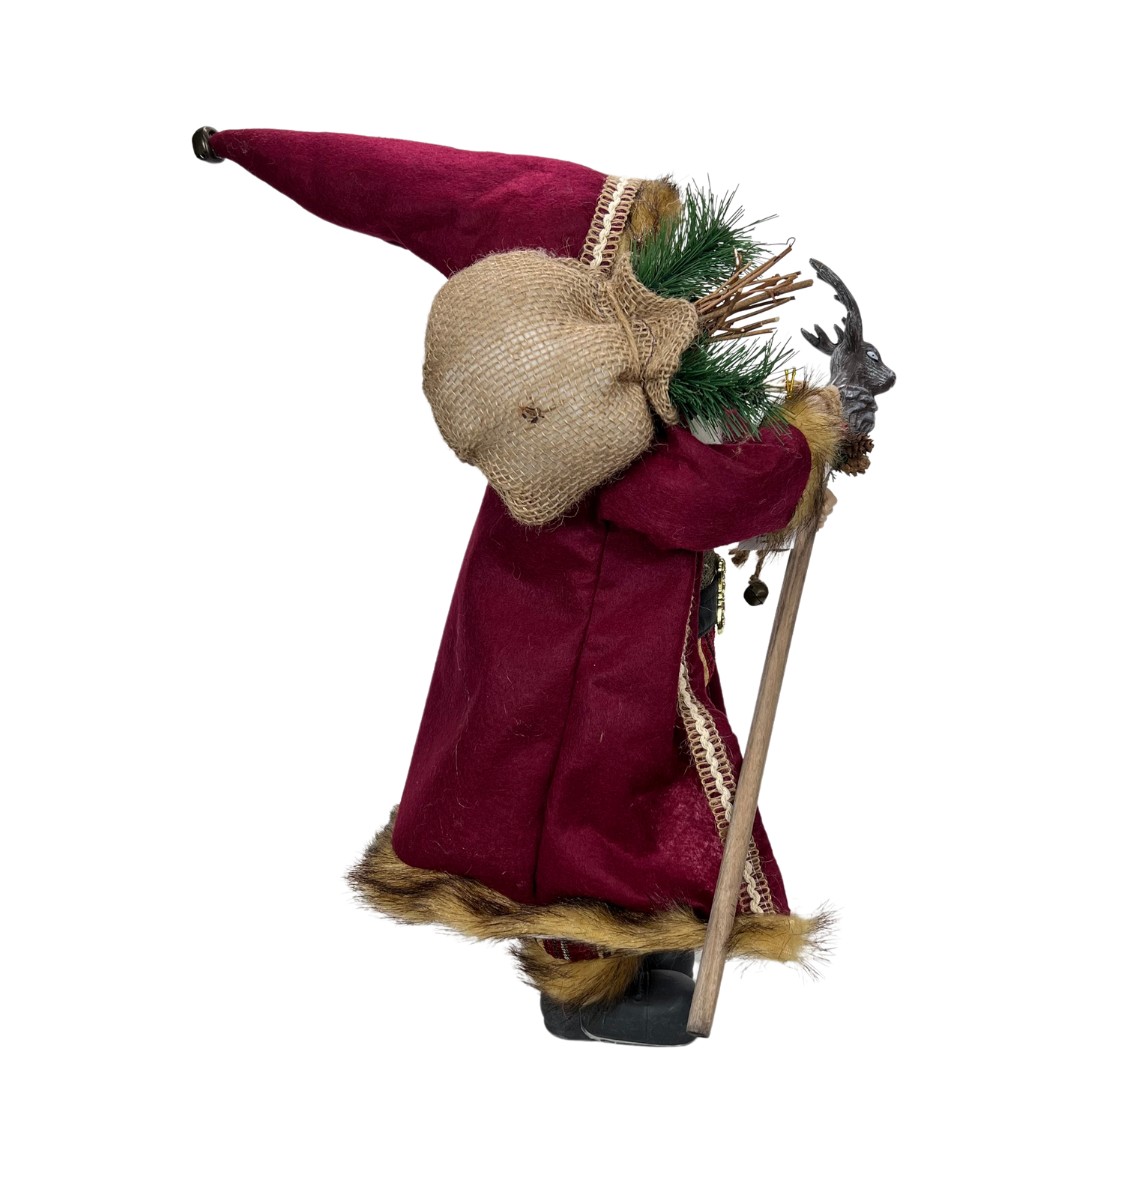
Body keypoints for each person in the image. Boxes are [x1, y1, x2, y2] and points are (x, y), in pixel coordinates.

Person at [194, 126, 840, 1045]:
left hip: (576, 622)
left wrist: (245, 146)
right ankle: (592, 974)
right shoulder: (591, 426)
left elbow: (421, 188)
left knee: (599, 779)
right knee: (587, 791)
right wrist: (804, 441)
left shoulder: (576, 414)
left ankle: (623, 949)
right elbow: (696, 495)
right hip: (595, 644)